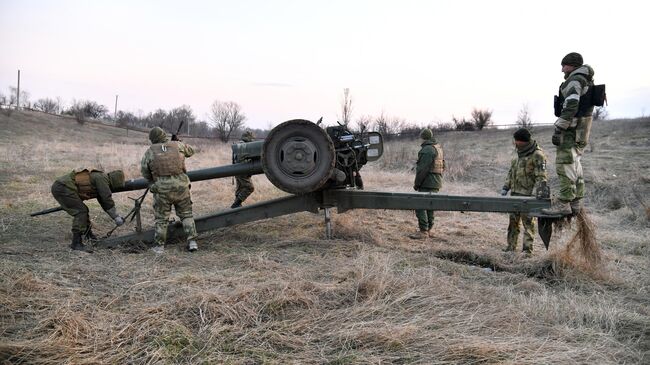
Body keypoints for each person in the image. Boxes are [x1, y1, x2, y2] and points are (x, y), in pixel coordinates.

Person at [543, 52, 595, 215]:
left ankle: (564, 203)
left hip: (572, 130)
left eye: (564, 65)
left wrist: (560, 127)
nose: (562, 69)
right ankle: (576, 202)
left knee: (565, 164)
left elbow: (571, 104)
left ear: (572, 65)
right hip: (582, 130)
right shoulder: (586, 79)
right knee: (575, 165)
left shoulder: (575, 80)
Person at [141, 127, 198, 253]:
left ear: (152, 139)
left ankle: (159, 247)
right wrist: (179, 141)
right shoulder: (177, 145)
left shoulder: (150, 151)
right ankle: (192, 242)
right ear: (163, 136)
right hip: (181, 187)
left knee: (161, 219)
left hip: (162, 190)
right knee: (186, 215)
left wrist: (154, 183)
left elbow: (145, 171)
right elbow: (191, 151)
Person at [51, 168, 125, 251]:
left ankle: (88, 235)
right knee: (81, 211)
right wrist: (116, 217)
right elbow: (106, 198)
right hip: (63, 187)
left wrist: (115, 216)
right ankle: (76, 243)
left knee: (83, 210)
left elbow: (103, 201)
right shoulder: (102, 179)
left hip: (62, 186)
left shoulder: (101, 177)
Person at [501, 128, 548, 256]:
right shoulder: (518, 154)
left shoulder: (537, 155)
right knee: (513, 223)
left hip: (528, 197)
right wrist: (506, 187)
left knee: (528, 224)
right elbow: (511, 172)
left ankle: (527, 251)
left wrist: (538, 195)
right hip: (514, 194)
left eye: (517, 141)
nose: (515, 143)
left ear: (523, 141)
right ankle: (511, 247)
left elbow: (541, 177)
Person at [410, 128, 444, 239]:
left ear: (423, 137)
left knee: (420, 205)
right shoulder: (438, 148)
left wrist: (417, 184)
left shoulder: (427, 149)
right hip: (436, 182)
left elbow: (422, 170)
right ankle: (429, 230)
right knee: (430, 206)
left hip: (427, 182)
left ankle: (423, 231)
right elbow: (443, 166)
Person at [231, 130, 256, 208]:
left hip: (237, 170)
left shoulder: (239, 144)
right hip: (242, 170)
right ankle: (236, 204)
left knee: (240, 188)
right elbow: (242, 160)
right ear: (249, 137)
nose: (253, 140)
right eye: (252, 138)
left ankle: (237, 206)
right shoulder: (243, 145)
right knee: (250, 187)